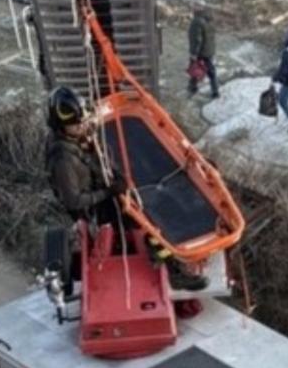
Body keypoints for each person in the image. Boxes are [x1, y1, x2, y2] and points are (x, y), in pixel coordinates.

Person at [45, 88, 206, 291]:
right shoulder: (63, 160)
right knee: (148, 213)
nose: (82, 127)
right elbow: (74, 201)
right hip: (95, 208)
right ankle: (173, 267)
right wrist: (110, 192)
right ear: (61, 126)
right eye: (76, 125)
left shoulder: (69, 141)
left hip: (101, 187)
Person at [187, 0, 218, 98]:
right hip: (209, 49)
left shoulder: (196, 21)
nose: (191, 8)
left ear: (196, 6)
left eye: (192, 5)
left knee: (195, 68)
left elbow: (197, 40)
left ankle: (194, 88)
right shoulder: (209, 17)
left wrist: (194, 54)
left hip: (200, 52)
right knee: (210, 71)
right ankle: (214, 90)